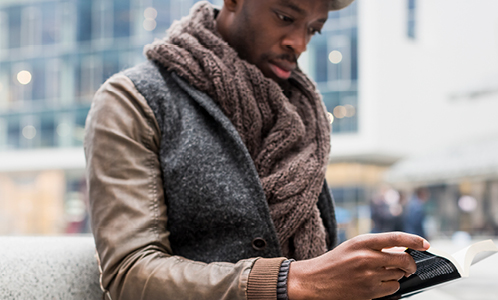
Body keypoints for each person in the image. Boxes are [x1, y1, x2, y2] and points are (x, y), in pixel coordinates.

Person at [84, 1, 430, 299]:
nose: (299, 44)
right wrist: (290, 282)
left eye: (314, 29)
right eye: (284, 17)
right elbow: (129, 274)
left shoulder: (300, 113)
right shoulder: (132, 100)